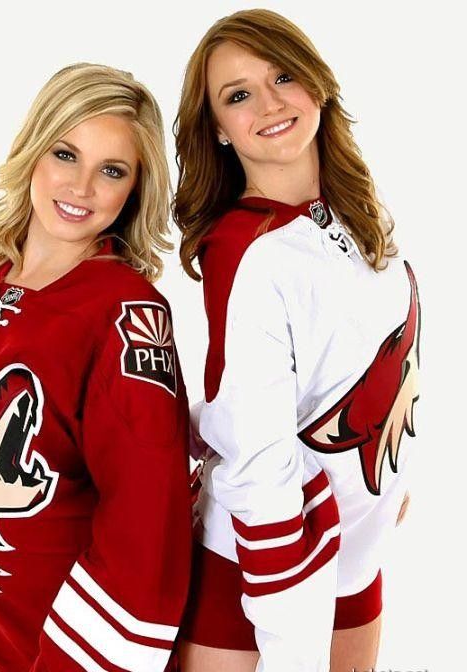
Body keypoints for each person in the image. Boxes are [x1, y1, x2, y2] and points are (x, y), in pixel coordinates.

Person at [0, 62, 192, 672]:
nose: (82, 186)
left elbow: (149, 514)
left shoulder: (127, 311)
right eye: (66, 154)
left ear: (135, 189)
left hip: (79, 643)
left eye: (112, 170)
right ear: (34, 149)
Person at [172, 9, 420, 672]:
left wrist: (389, 482)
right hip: (261, 567)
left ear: (316, 83)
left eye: (283, 76)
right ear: (217, 128)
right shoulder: (244, 248)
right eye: (238, 95)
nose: (270, 103)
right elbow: (258, 452)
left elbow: (382, 358)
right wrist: (290, 633)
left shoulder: (362, 209)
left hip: (357, 551)